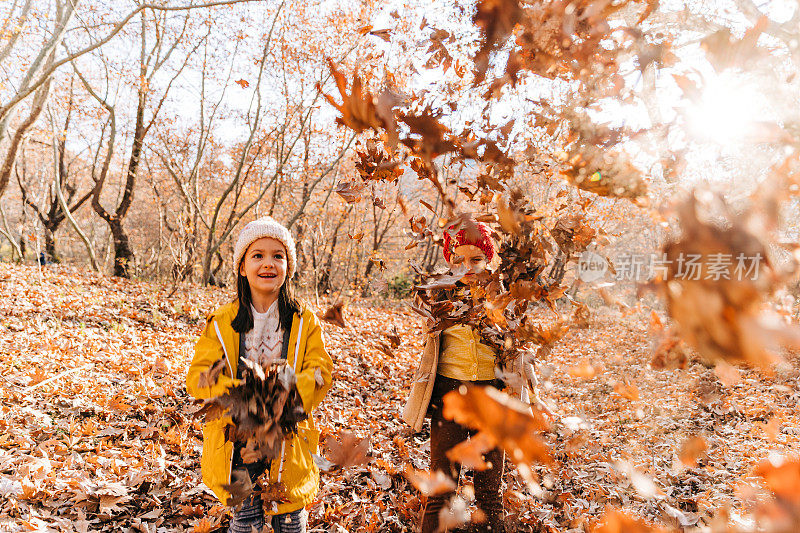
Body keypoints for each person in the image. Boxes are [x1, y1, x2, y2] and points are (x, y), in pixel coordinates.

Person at [187, 216, 332, 533]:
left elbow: (321, 372)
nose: (269, 263)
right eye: (258, 255)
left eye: (278, 255)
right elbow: (198, 375)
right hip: (237, 439)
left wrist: (290, 391)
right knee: (245, 521)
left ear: (288, 266)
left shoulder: (304, 320)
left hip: (288, 437)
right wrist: (240, 391)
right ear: (242, 267)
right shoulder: (222, 321)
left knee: (290, 520)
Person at [403, 222, 537, 533]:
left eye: (476, 260)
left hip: (493, 396)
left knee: (490, 491)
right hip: (449, 395)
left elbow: (519, 350)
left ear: (489, 260)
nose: (467, 267)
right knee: (443, 486)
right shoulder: (439, 296)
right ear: (449, 260)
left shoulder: (504, 298)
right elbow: (429, 337)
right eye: (458, 260)